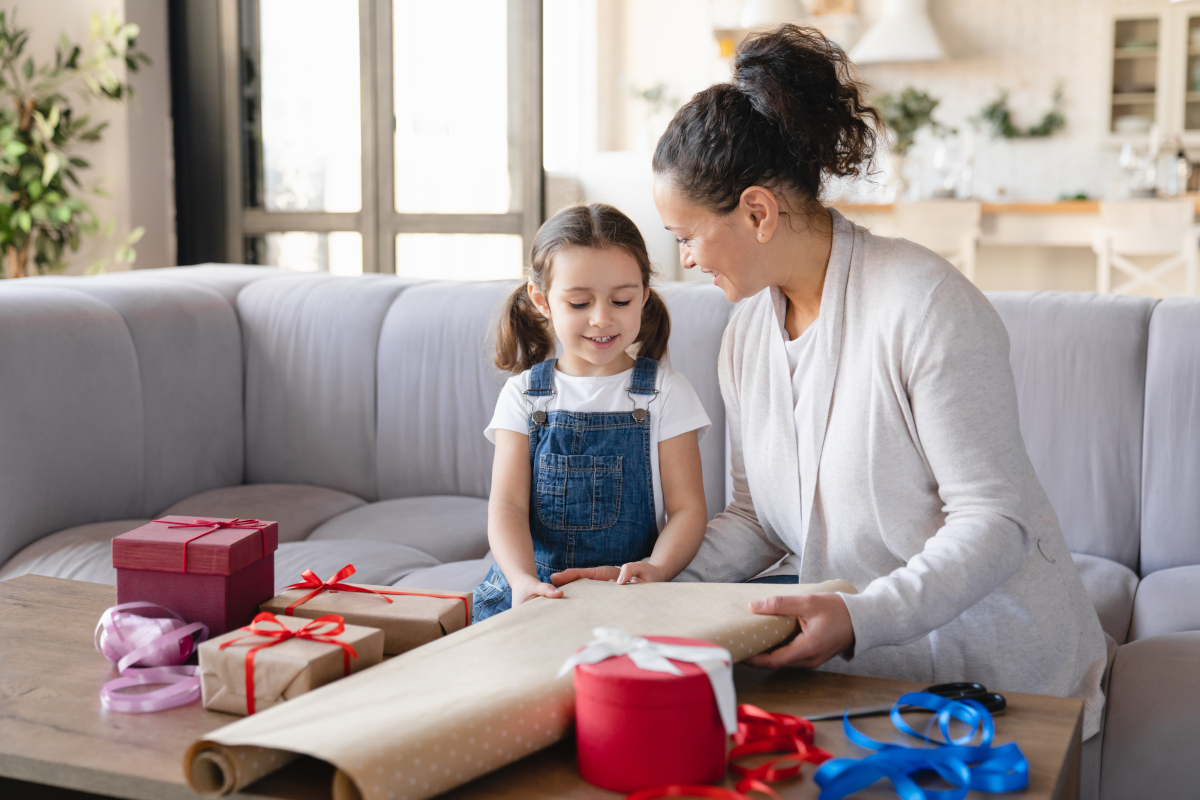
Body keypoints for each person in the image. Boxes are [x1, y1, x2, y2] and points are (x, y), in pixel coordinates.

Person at [648, 25, 1108, 737]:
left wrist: (862, 618)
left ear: (758, 212)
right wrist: (660, 580)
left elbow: (996, 522)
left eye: (686, 236)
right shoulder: (744, 335)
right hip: (857, 656)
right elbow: (756, 517)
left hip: (994, 669)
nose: (682, 260)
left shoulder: (923, 302)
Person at [471, 203, 713, 622]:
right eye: (580, 303)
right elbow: (507, 506)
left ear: (644, 296)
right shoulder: (525, 395)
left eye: (621, 300)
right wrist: (523, 580)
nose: (602, 319)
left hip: (626, 596)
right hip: (531, 595)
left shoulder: (665, 393)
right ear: (542, 300)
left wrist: (656, 570)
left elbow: (688, 509)